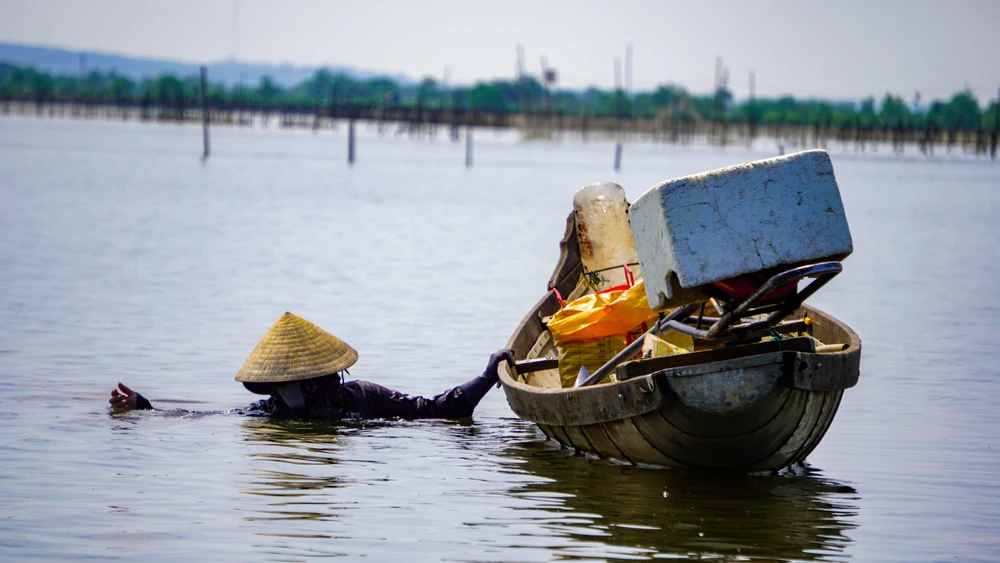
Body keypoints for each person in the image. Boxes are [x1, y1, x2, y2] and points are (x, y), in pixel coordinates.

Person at [110, 312, 515, 420]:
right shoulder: (272, 413)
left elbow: (435, 411)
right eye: (298, 388)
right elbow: (206, 417)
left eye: (321, 381)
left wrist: (484, 378)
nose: (315, 391)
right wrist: (147, 410)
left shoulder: (363, 398)